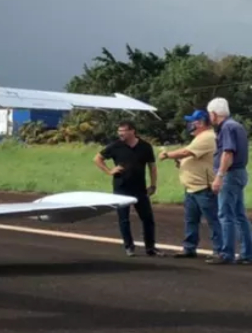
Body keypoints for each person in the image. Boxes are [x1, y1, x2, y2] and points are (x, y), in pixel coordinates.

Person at [158, 110, 221, 258]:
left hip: (204, 187)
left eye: (192, 122)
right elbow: (194, 156)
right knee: (191, 220)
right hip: (193, 186)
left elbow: (186, 152)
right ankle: (189, 247)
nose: (189, 125)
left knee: (213, 220)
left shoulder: (207, 137)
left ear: (200, 123)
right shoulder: (200, 137)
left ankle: (219, 250)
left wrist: (167, 155)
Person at [95, 120, 161, 256]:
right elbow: (97, 158)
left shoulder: (145, 147)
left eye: (123, 131)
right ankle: (129, 246)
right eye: (119, 131)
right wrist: (109, 171)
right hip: (121, 188)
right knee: (124, 219)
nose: (120, 134)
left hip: (140, 188)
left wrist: (153, 184)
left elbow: (152, 167)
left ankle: (150, 247)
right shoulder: (115, 146)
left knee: (147, 218)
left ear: (132, 131)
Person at [206, 97, 251, 265]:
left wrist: (219, 176)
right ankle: (247, 253)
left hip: (230, 174)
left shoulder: (226, 128)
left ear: (214, 114)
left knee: (225, 215)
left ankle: (227, 253)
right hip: (240, 172)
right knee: (239, 215)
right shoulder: (237, 126)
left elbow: (228, 153)